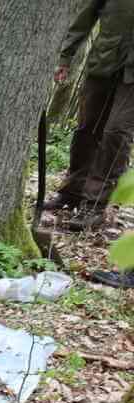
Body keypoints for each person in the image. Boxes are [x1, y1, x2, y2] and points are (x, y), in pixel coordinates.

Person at [48, 0, 134, 233]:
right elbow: (84, 19)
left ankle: (95, 205)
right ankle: (72, 192)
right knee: (87, 129)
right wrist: (65, 57)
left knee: (116, 133)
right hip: (103, 63)